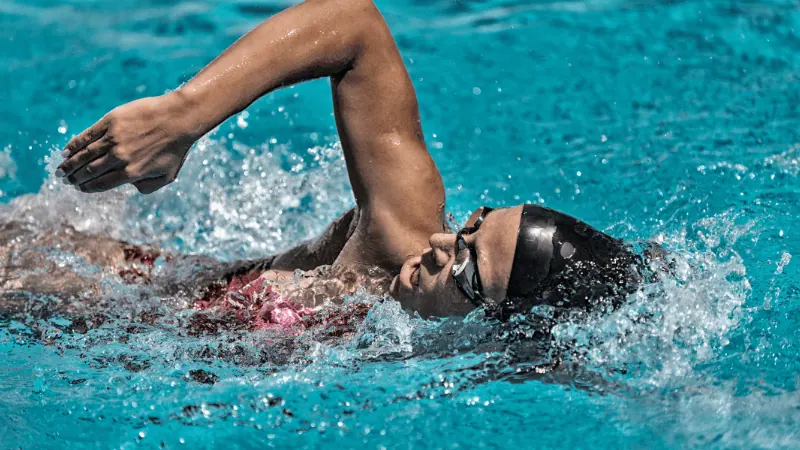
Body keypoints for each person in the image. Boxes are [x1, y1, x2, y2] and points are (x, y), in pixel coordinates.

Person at [53, 0, 647, 324]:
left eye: (465, 269)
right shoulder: (402, 234)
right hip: (98, 290)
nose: (443, 245)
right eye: (472, 227)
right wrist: (182, 116)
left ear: (500, 325)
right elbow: (354, 24)